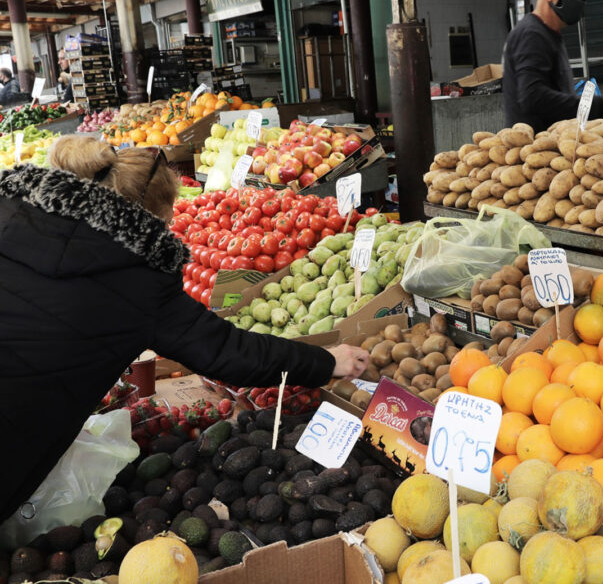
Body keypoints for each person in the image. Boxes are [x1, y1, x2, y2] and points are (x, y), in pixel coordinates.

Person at [0, 135, 372, 522]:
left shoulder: (9, 214)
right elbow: (227, 352)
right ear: (151, 217)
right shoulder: (133, 276)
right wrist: (325, 361)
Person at [502, 0, 603, 131]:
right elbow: (533, 96)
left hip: (557, 143)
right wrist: (597, 107)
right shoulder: (532, 34)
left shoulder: (549, 33)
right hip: (535, 147)